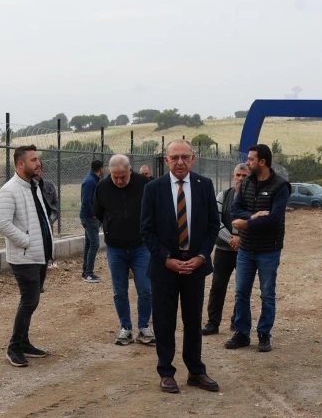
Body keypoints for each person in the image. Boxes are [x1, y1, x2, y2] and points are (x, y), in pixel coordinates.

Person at [140, 139, 221, 393]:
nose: (180, 162)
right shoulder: (153, 189)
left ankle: (196, 371)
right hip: (164, 268)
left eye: (185, 157)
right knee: (164, 321)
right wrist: (166, 259)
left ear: (193, 159)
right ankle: (166, 372)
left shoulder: (204, 185)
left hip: (195, 266)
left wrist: (202, 256)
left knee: (193, 320)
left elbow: (213, 226)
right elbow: (147, 230)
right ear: (166, 160)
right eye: (174, 157)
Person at [225, 144, 290, 353]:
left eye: (251, 159)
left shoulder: (280, 186)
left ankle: (264, 333)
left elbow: (274, 218)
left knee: (267, 294)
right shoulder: (246, 183)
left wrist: (246, 223)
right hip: (246, 248)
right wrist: (253, 216)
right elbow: (235, 209)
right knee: (241, 292)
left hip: (268, 250)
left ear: (262, 162)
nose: (247, 162)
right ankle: (242, 333)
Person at [0, 144, 54, 368]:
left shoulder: (34, 186)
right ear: (20, 164)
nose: (38, 163)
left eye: (37, 159)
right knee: (30, 301)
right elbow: (3, 224)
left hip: (39, 255)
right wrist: (27, 241)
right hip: (24, 257)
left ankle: (24, 343)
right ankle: (14, 347)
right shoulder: (9, 190)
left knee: (31, 300)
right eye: (33, 160)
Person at [93, 154, 155, 346]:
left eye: (123, 176)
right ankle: (125, 328)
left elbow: (154, 210)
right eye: (115, 177)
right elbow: (98, 212)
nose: (119, 181)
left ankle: (144, 327)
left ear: (130, 170)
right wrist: (112, 226)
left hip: (141, 246)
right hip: (115, 247)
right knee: (119, 290)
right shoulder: (102, 187)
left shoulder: (145, 185)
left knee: (145, 289)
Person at [201, 162, 250, 335]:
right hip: (224, 250)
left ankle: (237, 322)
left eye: (244, 176)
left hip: (246, 250)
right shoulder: (223, 195)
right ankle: (212, 323)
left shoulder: (254, 198)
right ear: (233, 176)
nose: (241, 179)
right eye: (238, 175)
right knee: (217, 287)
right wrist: (231, 239)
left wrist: (242, 239)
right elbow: (216, 222)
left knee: (242, 288)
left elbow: (256, 221)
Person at [79, 159, 104, 282]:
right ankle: (89, 273)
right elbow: (86, 200)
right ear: (101, 169)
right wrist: (93, 214)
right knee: (94, 243)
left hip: (89, 217)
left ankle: (86, 271)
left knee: (89, 244)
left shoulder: (92, 179)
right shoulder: (90, 181)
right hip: (89, 218)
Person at [35, 160, 60, 226]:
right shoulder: (27, 188)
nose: (36, 172)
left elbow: (56, 204)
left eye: (38, 169)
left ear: (42, 171)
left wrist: (51, 220)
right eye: (34, 170)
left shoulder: (49, 186)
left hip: (48, 224)